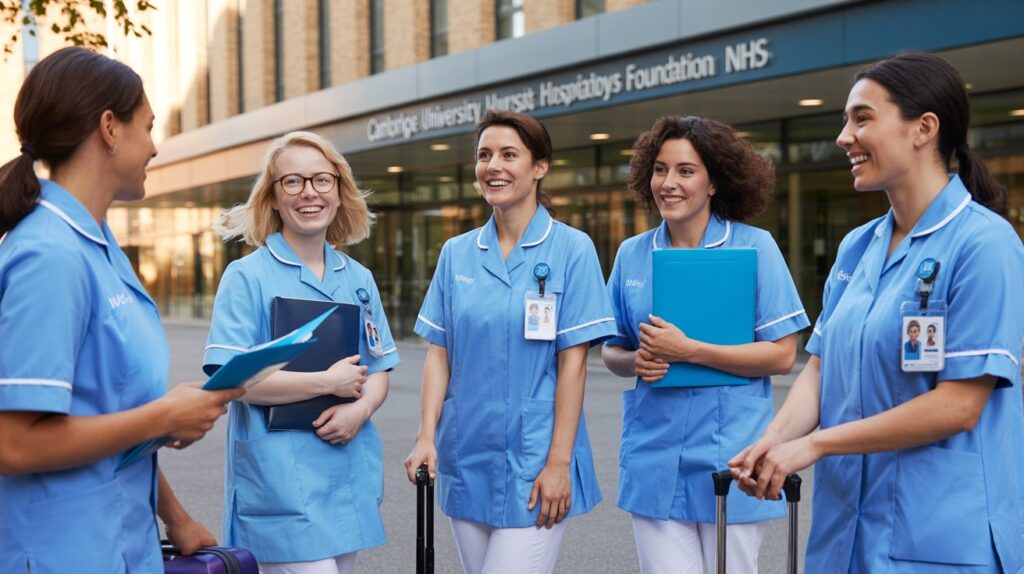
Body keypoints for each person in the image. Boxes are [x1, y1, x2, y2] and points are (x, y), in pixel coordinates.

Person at [730, 52, 1024, 572]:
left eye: (862, 118)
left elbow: (958, 405)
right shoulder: (857, 247)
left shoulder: (985, 245)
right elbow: (820, 368)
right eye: (846, 120)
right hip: (845, 534)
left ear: (923, 129)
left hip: (941, 539)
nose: (844, 136)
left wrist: (816, 445)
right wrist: (774, 441)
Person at [0, 47, 241, 574]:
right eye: (148, 127)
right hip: (61, 550)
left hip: (121, 540)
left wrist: (174, 517)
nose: (155, 147)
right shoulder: (48, 255)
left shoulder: (98, 243)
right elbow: (12, 443)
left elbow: (107, 414)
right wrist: (164, 415)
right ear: (110, 128)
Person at [404, 110, 616, 574]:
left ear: (539, 166)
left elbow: (573, 365)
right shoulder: (456, 253)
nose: (493, 166)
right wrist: (425, 437)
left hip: (537, 460)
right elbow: (440, 353)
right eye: (484, 155)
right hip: (466, 454)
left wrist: (559, 462)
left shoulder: (571, 248)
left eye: (508, 155)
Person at [601, 116, 809, 573]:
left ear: (715, 182)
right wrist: (635, 360)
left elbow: (781, 354)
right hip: (654, 455)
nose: (668, 183)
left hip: (731, 453)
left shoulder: (755, 248)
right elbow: (610, 350)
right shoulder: (632, 253)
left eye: (685, 171)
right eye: (659, 169)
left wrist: (689, 350)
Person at [204, 131, 398, 574]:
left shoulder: (358, 278)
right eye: (292, 182)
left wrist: (361, 409)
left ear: (339, 190)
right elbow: (230, 379)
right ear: (273, 197)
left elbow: (380, 366)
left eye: (322, 180)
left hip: (345, 476)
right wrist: (327, 383)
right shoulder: (246, 276)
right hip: (280, 487)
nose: (309, 193)